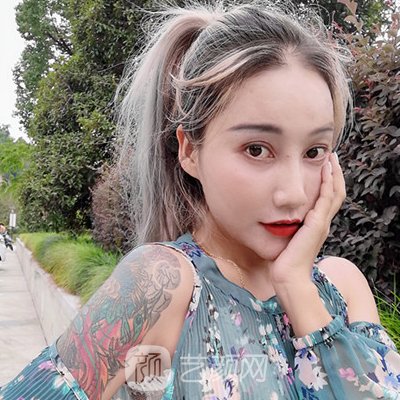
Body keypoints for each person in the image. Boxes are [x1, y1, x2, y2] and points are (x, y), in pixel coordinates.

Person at [0, 1, 399, 399]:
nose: (294, 193)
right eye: (257, 149)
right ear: (190, 151)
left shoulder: (342, 286)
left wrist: (297, 287)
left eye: (314, 151)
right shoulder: (161, 285)